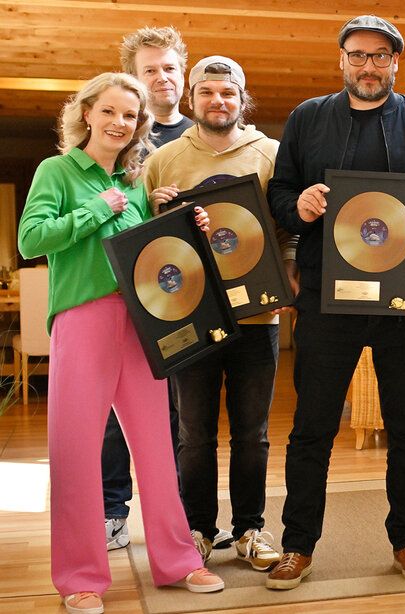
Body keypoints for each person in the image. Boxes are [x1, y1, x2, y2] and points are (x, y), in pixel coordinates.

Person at [265, 15, 405, 588]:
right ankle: (298, 546)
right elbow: (279, 194)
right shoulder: (307, 118)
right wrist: (297, 205)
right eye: (358, 55)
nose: (369, 65)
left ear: (396, 62)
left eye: (380, 56)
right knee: (312, 428)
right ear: (342, 60)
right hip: (327, 301)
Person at [17, 72, 224, 614]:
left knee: (157, 444)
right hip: (83, 321)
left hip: (142, 321)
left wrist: (182, 225)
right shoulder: (57, 171)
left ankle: (178, 561)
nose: (118, 123)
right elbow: (31, 238)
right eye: (108, 111)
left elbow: (148, 254)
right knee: (76, 451)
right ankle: (81, 577)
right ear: (87, 113)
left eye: (129, 116)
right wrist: (96, 209)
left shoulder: (135, 182)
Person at [145, 55, 298, 572]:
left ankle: (251, 527)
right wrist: (154, 210)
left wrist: (290, 273)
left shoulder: (272, 153)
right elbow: (142, 240)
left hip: (257, 317)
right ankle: (198, 530)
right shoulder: (163, 160)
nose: (218, 101)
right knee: (193, 434)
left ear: (242, 99)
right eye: (207, 92)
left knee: (252, 433)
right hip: (189, 315)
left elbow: (288, 225)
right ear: (192, 100)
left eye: (228, 93)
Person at [101, 26, 195, 552]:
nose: (161, 78)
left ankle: (176, 517)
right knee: (117, 413)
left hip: (184, 295)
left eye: (169, 68)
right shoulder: (116, 135)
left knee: (178, 413)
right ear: (133, 80)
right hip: (122, 296)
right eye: (149, 69)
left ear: (183, 73)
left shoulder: (201, 131)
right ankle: (113, 511)